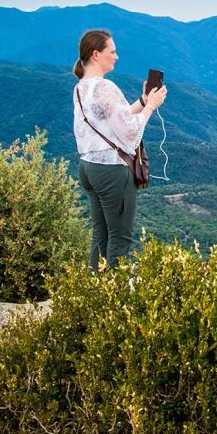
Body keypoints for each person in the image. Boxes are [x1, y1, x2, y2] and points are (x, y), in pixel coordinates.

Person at [72, 29, 167, 272]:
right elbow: (130, 133)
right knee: (120, 237)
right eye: (112, 52)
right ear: (96, 54)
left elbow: (117, 117)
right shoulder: (105, 87)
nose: (117, 57)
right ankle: (116, 297)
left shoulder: (82, 87)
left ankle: (94, 292)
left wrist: (144, 101)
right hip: (111, 171)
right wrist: (151, 108)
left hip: (89, 167)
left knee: (100, 234)